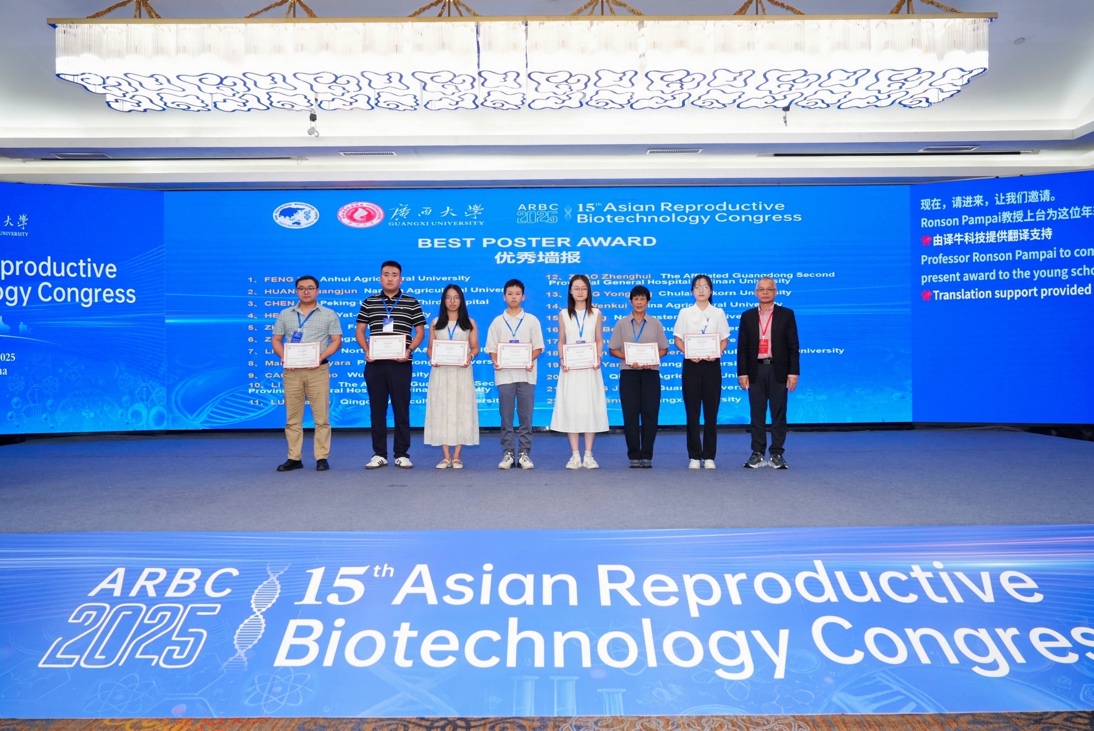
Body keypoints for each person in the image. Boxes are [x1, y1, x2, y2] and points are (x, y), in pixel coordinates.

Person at [354, 260, 426, 469]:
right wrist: (367, 350)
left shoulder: (412, 302)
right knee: (377, 410)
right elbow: (360, 330)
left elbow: (420, 332)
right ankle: (379, 454)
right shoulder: (369, 302)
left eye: (394, 275)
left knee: (401, 409)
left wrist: (409, 350)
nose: (390, 278)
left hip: (401, 364)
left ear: (400, 279)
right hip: (375, 365)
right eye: (386, 274)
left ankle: (402, 453)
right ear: (380, 278)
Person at [271, 275, 343, 472]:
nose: (306, 291)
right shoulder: (285, 314)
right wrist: (283, 356)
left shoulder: (329, 314)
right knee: (292, 418)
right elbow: (276, 340)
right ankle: (294, 457)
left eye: (310, 288)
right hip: (292, 372)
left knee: (322, 418)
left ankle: (322, 457)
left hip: (318, 370)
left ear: (317, 291)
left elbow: (337, 341)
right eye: (301, 288)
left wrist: (320, 357)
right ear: (296, 291)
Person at [737, 276, 800, 470]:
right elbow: (742, 347)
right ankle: (757, 453)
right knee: (757, 413)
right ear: (755, 293)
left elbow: (793, 345)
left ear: (776, 292)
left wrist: (793, 373)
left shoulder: (786, 314)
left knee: (778, 413)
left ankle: (777, 453)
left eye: (769, 289)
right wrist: (742, 373)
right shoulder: (747, 316)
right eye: (761, 289)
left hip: (778, 369)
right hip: (755, 369)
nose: (765, 292)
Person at [550, 274, 609, 469]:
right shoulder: (563, 314)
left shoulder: (596, 313)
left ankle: (589, 455)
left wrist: (597, 357)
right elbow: (561, 340)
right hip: (571, 369)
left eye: (584, 288)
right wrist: (562, 360)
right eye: (576, 288)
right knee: (572, 408)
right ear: (570, 291)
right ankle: (575, 455)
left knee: (590, 408)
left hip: (591, 368)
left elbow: (599, 339)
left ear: (588, 291)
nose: (580, 292)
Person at [484, 278, 544, 470]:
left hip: (526, 376)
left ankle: (525, 453)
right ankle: (508, 453)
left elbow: (538, 347)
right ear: (504, 297)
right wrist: (496, 360)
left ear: (523, 297)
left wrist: (529, 359)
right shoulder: (497, 322)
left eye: (517, 294)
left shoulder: (532, 320)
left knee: (526, 418)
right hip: (505, 376)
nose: (513, 297)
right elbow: (491, 348)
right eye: (510, 294)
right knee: (506, 418)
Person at [673, 274, 730, 470]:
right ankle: (694, 456)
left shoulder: (718, 313)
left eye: (705, 287)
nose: (701, 290)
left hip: (712, 366)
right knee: (692, 412)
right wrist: (688, 352)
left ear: (711, 290)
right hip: (691, 365)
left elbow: (724, 339)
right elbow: (677, 339)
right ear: (692, 291)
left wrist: (717, 353)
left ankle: (710, 456)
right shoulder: (685, 312)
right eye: (697, 287)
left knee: (711, 412)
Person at [608, 285, 669, 468]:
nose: (639, 302)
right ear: (631, 301)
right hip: (629, 374)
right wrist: (627, 358)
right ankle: (634, 455)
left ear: (648, 302)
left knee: (650, 414)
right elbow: (612, 349)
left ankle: (647, 455)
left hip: (651, 373)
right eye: (636, 299)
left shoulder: (656, 324)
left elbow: (664, 349)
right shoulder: (621, 323)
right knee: (631, 414)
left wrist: (653, 358)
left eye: (643, 299)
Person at [424, 284, 480, 468]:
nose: (452, 301)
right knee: (441, 411)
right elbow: (430, 348)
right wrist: (432, 358)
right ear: (444, 301)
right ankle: (445, 456)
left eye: (456, 297)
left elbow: (475, 348)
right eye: (448, 297)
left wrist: (469, 357)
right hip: (441, 373)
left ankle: (456, 455)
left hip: (461, 373)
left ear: (461, 300)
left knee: (461, 410)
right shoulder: (435, 323)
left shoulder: (469, 323)